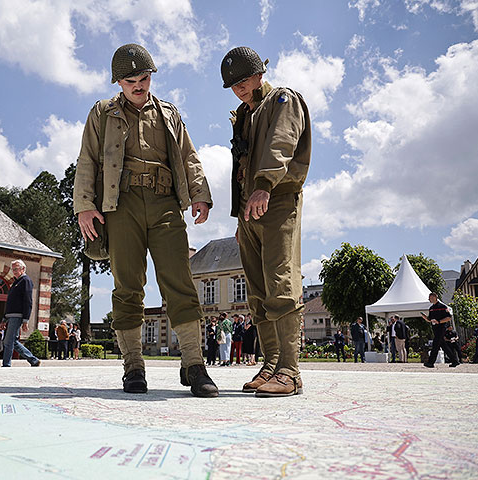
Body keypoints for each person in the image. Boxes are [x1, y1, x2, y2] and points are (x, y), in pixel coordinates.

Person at [74, 43, 217, 397]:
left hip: (165, 200)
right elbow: (88, 159)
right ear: (117, 82)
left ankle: (194, 364)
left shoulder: (169, 113)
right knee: (127, 286)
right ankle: (133, 366)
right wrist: (84, 205)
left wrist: (200, 193)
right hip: (120, 204)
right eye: (129, 80)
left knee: (179, 280)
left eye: (144, 78)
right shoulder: (102, 113)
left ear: (151, 76)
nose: (138, 85)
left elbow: (188, 155)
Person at [221, 46, 311, 397]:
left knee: (281, 285)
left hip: (275, 201)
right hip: (249, 211)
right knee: (258, 293)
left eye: (244, 80)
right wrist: (240, 217)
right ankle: (271, 364)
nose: (239, 88)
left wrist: (263, 186)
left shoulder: (282, 101)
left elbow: (282, 144)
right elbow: (241, 166)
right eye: (233, 84)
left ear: (260, 73)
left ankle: (290, 371)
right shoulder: (245, 113)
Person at [0, 259, 41, 367]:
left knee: (7, 341)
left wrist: (25, 320)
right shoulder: (15, 283)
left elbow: (28, 301)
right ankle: (33, 360)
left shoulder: (26, 281)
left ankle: (6, 365)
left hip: (17, 316)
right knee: (12, 341)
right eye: (13, 269)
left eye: (16, 269)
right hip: (10, 316)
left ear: (23, 269)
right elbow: (9, 303)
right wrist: (4, 319)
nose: (14, 271)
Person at [421, 292, 458, 368]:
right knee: (443, 345)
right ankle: (454, 361)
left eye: (430, 298)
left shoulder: (443, 306)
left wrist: (439, 321)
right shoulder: (431, 308)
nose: (429, 299)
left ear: (435, 297)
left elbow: (448, 318)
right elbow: (430, 319)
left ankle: (431, 362)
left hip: (441, 328)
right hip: (435, 328)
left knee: (435, 344)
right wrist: (425, 318)